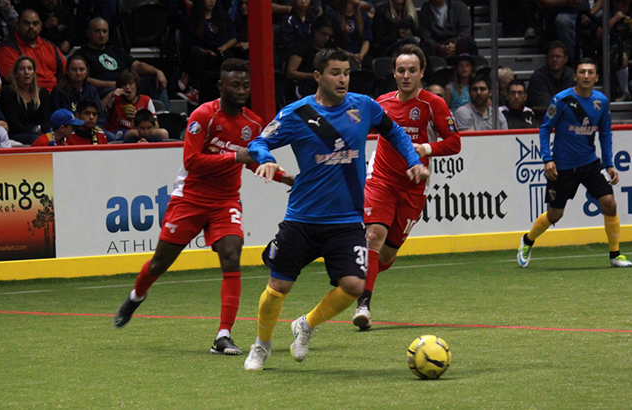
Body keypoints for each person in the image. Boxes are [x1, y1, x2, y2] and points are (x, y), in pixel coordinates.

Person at [242, 49, 429, 371]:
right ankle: (261, 345)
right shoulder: (297, 114)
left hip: (345, 220)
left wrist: (413, 161)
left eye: (346, 72)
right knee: (278, 288)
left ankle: (306, 325)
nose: (342, 79)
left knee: (354, 285)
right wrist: (267, 160)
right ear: (317, 76)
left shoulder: (364, 106)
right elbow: (258, 143)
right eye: (334, 73)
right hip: (302, 218)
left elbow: (394, 131)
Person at [113, 59, 293, 356]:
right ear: (221, 86)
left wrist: (286, 177)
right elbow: (191, 161)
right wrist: (236, 158)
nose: (241, 90)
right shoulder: (203, 115)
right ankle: (136, 296)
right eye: (234, 85)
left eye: (245, 85)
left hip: (225, 201)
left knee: (232, 255)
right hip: (190, 197)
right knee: (160, 263)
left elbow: (254, 162)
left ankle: (223, 336)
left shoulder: (253, 124)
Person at [352, 44, 461, 330]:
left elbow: (454, 142)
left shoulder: (433, 104)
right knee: (373, 235)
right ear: (394, 72)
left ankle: (366, 272)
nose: (406, 75)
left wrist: (423, 148)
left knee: (386, 254)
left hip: (413, 187)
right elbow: (359, 130)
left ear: (422, 72)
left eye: (412, 70)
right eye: (401, 70)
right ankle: (363, 304)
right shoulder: (382, 103)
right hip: (381, 180)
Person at [517, 58, 632, 269]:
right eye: (582, 72)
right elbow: (545, 129)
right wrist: (547, 159)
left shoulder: (602, 102)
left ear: (596, 77)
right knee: (555, 215)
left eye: (590, 72)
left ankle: (615, 254)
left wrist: (609, 164)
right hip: (562, 167)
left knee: (610, 203)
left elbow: (605, 133)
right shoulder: (561, 99)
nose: (586, 76)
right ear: (575, 76)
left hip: (590, 164)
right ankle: (528, 240)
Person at [73, 17, 169, 107]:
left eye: (104, 31)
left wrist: (158, 72)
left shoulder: (116, 51)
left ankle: (164, 118)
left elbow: (137, 65)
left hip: (126, 85)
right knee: (117, 92)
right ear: (89, 33)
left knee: (154, 81)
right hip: (105, 90)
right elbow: (85, 78)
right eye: (97, 31)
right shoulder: (82, 54)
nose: (102, 35)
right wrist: (111, 84)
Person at [0, 8, 66, 92]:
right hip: (27, 97)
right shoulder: (6, 49)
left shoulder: (50, 47)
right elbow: (13, 80)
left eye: (35, 24)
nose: (31, 27)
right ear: (17, 25)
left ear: (41, 26)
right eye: (26, 23)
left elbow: (66, 73)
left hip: (54, 95)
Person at [103, 69, 168, 142]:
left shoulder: (146, 100)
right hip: (116, 132)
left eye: (131, 84)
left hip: (140, 130)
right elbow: (98, 111)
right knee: (134, 133)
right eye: (124, 85)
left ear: (136, 85)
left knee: (163, 133)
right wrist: (110, 95)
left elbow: (156, 126)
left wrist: (138, 118)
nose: (127, 87)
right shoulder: (115, 98)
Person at [0, 56, 52, 145]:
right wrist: (34, 131)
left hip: (40, 133)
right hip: (17, 135)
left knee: (52, 139)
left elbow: (47, 119)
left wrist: (42, 131)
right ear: (16, 74)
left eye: (30, 69)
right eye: (22, 69)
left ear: (34, 73)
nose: (26, 72)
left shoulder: (42, 93)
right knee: (39, 140)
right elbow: (13, 122)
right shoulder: (8, 92)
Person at [285, 16, 335, 103]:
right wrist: (313, 76)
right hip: (304, 87)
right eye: (324, 34)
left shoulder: (329, 48)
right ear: (315, 31)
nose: (326, 38)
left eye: (329, 36)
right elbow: (291, 72)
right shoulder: (303, 47)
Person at [527, 40, 575, 118]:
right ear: (547, 58)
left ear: (565, 59)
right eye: (551, 57)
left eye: (558, 57)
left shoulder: (571, 75)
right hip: (543, 119)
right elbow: (544, 104)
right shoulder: (538, 77)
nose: (554, 59)